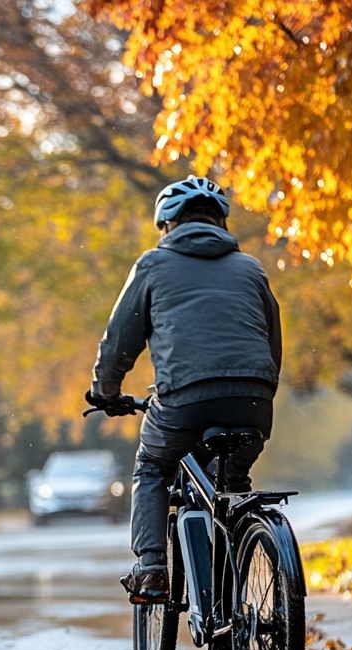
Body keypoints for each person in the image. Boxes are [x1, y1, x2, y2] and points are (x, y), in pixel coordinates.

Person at [89, 175, 282, 603]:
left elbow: (121, 339)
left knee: (153, 467)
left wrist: (105, 390)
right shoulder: (251, 268)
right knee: (230, 487)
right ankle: (239, 580)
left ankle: (152, 567)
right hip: (253, 399)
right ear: (220, 222)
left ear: (168, 224)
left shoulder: (153, 265)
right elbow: (272, 340)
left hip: (184, 400)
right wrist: (259, 392)